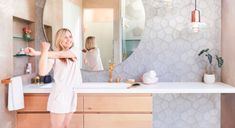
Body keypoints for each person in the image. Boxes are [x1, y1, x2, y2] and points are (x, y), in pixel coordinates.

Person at [25, 28, 82, 128]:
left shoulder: (75, 51)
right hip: (59, 95)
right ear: (59, 39)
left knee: (66, 125)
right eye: (65, 37)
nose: (69, 39)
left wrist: (40, 53)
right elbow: (42, 72)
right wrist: (44, 51)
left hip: (72, 94)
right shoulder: (52, 55)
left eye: (70, 36)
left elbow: (59, 54)